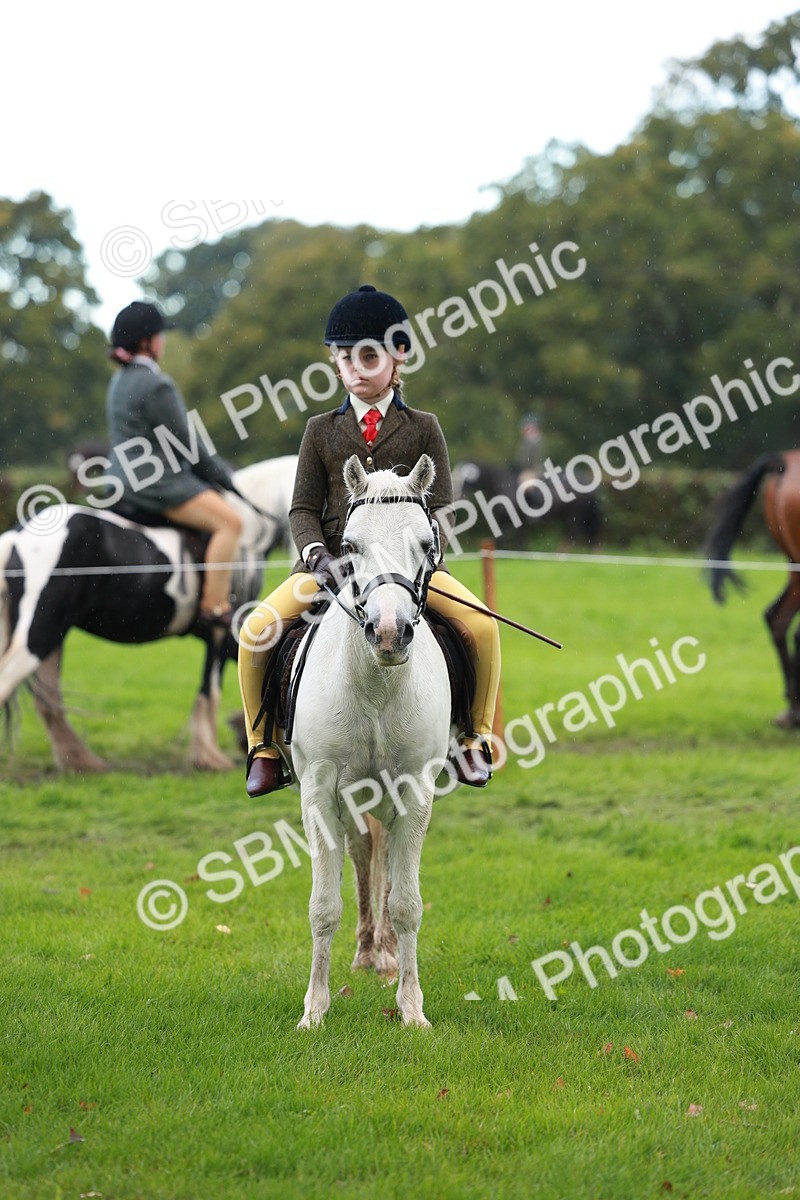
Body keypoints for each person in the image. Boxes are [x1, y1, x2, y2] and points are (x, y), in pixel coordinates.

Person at [237, 283, 501, 796]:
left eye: (368, 356)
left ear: (398, 355)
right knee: (256, 632)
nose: (355, 368)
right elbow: (303, 508)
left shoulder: (424, 427)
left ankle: (474, 738)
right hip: (332, 568)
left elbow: (442, 509)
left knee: (483, 628)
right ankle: (264, 746)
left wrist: (424, 559)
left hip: (408, 570)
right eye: (344, 358)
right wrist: (316, 554)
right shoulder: (320, 430)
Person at [106, 301, 243, 629]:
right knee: (231, 523)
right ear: (146, 343)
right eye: (159, 336)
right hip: (158, 485)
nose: (162, 342)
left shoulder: (120, 381)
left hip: (121, 481)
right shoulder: (156, 384)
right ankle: (214, 607)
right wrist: (222, 476)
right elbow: (187, 443)